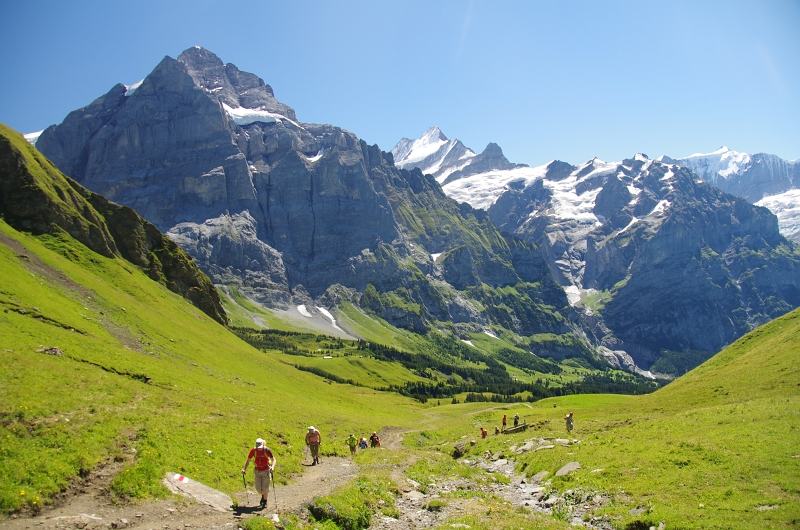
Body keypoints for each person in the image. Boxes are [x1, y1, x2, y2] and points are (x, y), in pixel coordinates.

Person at [241, 438, 275, 509]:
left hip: (266, 470)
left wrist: (272, 467)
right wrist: (244, 469)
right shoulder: (253, 451)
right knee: (258, 488)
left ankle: (265, 501)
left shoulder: (267, 450)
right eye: (258, 447)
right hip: (257, 471)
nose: (259, 449)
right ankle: (263, 495)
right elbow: (248, 460)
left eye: (260, 447)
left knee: (265, 487)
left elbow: (273, 459)